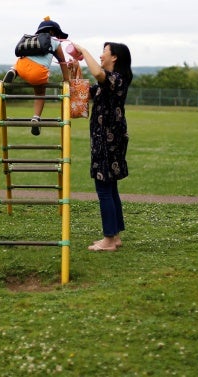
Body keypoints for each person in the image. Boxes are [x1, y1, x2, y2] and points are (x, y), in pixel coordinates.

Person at [70, 41, 133, 252]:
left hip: (109, 141)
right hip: (105, 140)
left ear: (114, 57)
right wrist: (75, 69)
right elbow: (83, 92)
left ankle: (108, 239)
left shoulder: (117, 79)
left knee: (104, 188)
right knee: (111, 188)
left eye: (104, 52)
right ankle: (114, 237)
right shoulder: (107, 83)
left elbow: (98, 74)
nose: (100, 55)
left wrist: (83, 51)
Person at [4, 16, 70, 136]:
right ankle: (36, 118)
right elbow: (62, 62)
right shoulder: (55, 42)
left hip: (21, 66)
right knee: (39, 94)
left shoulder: (31, 39)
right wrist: (66, 80)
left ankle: (13, 72)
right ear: (51, 32)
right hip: (38, 72)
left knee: (19, 63)